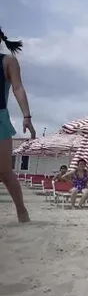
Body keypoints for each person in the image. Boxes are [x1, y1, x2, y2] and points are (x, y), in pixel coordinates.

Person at [0, 28, 33, 222]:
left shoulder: (8, 61)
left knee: (4, 171)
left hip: (0, 117)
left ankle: (21, 209)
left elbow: (18, 88)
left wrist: (26, 116)